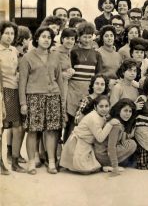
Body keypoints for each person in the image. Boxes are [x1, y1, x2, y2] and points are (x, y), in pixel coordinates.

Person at [19, 26, 66, 174]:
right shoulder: (28, 57)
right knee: (33, 131)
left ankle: (51, 162)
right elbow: (22, 82)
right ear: (37, 39)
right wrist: (23, 103)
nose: (46, 40)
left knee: (51, 130)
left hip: (53, 97)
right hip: (34, 97)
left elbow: (59, 79)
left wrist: (61, 101)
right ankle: (31, 163)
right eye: (43, 36)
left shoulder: (55, 57)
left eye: (49, 37)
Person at [60, 95, 119, 174]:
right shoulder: (93, 117)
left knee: (93, 165)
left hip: (87, 143)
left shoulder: (101, 116)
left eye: (106, 106)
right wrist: (110, 124)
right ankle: (101, 166)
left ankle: (102, 166)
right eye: (101, 106)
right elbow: (100, 138)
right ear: (95, 107)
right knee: (85, 169)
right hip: (78, 143)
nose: (104, 109)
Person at [67, 22, 103, 133]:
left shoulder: (96, 54)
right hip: (74, 89)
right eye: (84, 36)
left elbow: (98, 73)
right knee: (72, 119)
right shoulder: (73, 52)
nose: (87, 40)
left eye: (89, 37)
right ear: (79, 37)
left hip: (88, 89)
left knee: (85, 118)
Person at [0, 21, 26, 173]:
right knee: (2, 128)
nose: (10, 36)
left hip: (16, 91)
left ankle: (14, 161)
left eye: (12, 33)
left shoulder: (15, 51)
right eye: (6, 33)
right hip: (4, 92)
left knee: (17, 127)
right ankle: (1, 162)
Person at [94, 98, 137, 176]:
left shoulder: (120, 122)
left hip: (102, 153)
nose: (128, 114)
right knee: (132, 144)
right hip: (103, 154)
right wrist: (115, 168)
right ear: (119, 110)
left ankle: (107, 165)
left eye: (130, 111)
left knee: (130, 142)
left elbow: (121, 139)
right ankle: (109, 165)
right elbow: (111, 147)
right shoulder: (116, 125)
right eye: (125, 110)